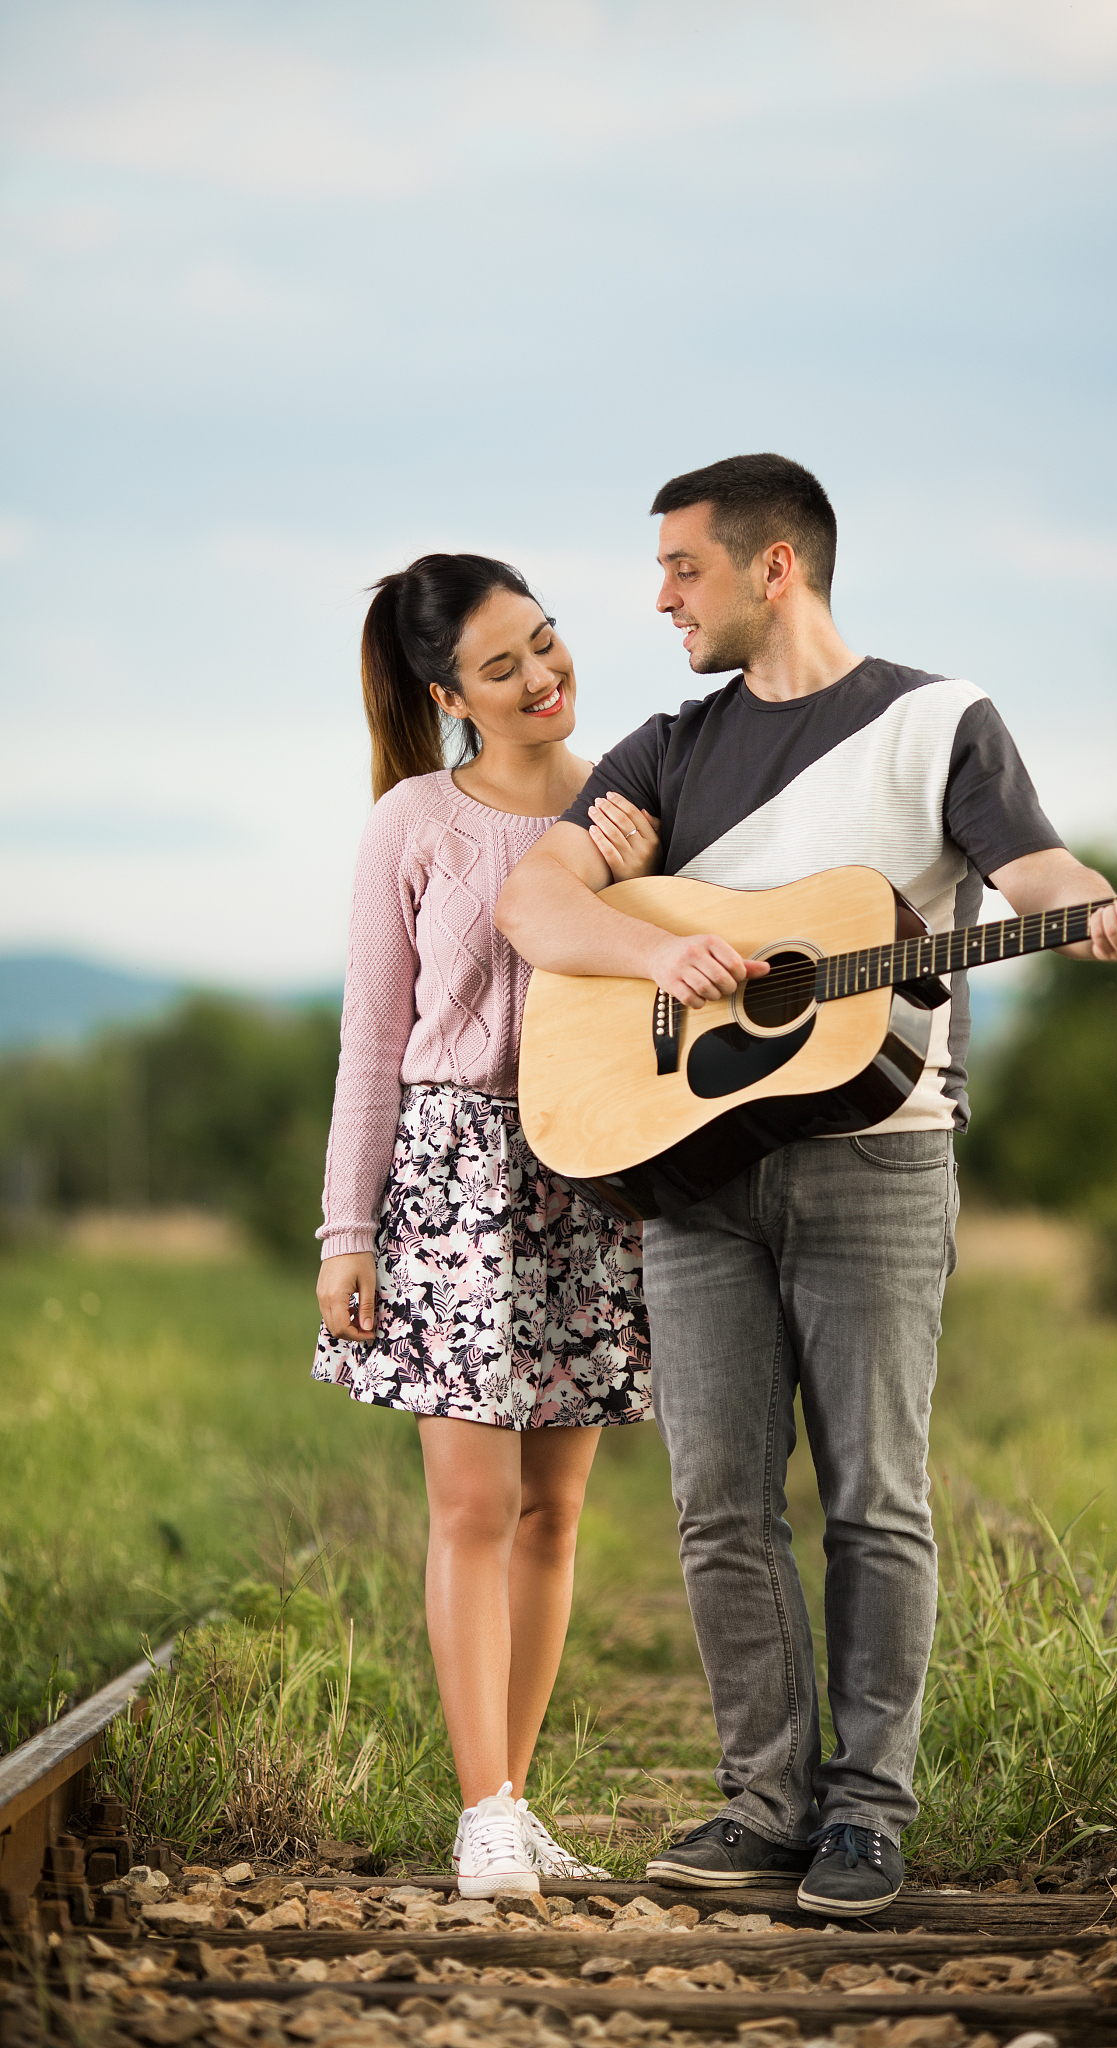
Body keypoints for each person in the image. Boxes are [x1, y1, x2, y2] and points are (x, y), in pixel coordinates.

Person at [495, 454, 1117, 1916]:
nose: (658, 594)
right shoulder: (666, 750)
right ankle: (764, 1802)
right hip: (689, 1171)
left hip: (878, 1160)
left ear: (773, 566)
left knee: (874, 1496)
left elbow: (1038, 871)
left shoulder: (935, 724)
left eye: (682, 566)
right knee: (716, 1505)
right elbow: (532, 901)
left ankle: (867, 1815)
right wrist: (652, 951)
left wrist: (1103, 914)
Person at [313, 553, 655, 1898]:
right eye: (502, 664)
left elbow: (677, 998)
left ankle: (514, 1804)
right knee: (469, 1505)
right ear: (448, 690)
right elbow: (373, 1039)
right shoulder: (413, 821)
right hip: (453, 1171)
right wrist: (349, 1230)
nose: (540, 677)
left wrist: (627, 886)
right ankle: (482, 1813)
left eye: (548, 641)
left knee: (552, 1517)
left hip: (597, 1170)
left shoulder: (637, 802)